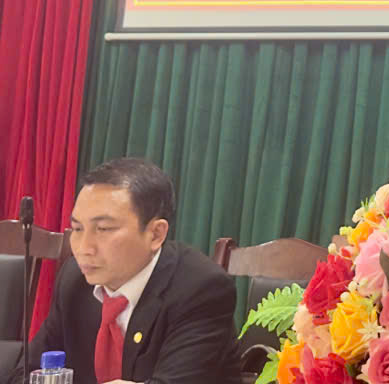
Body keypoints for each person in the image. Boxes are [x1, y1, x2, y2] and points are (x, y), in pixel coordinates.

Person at [8, 158, 237, 384]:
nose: (83, 248)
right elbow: (26, 374)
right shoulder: (74, 280)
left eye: (103, 229)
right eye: (77, 228)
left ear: (155, 234)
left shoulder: (201, 288)